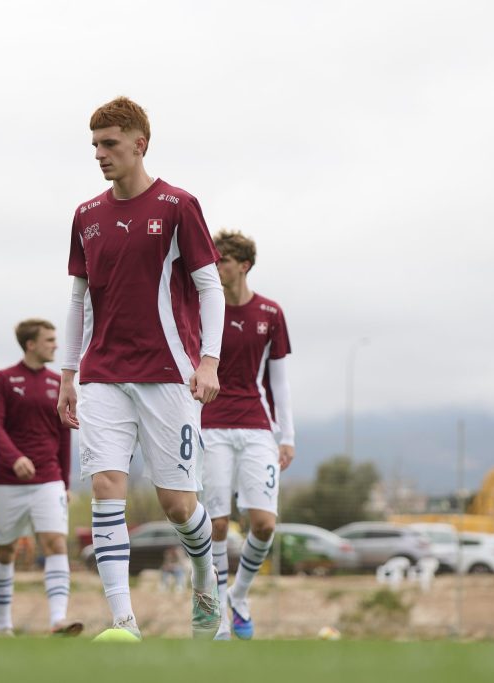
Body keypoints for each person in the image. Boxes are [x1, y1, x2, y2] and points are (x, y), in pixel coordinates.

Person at [58, 96, 225, 640]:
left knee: (177, 505)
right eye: (95, 145)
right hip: (102, 374)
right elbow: (78, 300)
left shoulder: (178, 206)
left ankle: (205, 577)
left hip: (169, 374)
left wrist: (209, 361)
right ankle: (124, 625)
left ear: (139, 144)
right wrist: (67, 373)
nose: (99, 154)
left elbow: (210, 288)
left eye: (109, 144)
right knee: (107, 485)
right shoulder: (86, 216)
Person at [201, 229, 295, 640]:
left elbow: (279, 382)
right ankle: (219, 615)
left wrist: (287, 436)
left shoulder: (270, 313)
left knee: (263, 524)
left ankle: (238, 596)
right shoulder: (204, 307)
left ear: (243, 266)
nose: (215, 266)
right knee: (218, 523)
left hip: (257, 427)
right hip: (211, 426)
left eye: (222, 260)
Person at [0, 318, 81, 637]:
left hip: (48, 478)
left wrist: (65, 483)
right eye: (49, 340)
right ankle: (3, 625)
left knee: (55, 542)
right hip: (6, 481)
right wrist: (14, 458)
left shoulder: (58, 383)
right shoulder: (2, 379)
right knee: (5, 550)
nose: (56, 345)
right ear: (30, 344)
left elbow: (64, 435)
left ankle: (58, 620)